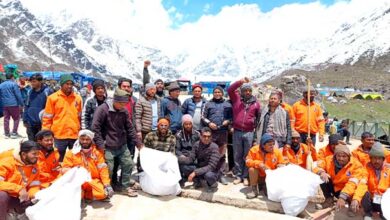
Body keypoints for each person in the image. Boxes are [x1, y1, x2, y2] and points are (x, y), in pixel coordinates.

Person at [92, 88, 141, 197]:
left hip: (122, 144)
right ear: (115, 100)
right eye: (121, 103)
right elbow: (95, 128)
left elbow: (130, 128)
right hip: (107, 146)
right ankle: (106, 188)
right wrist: (100, 145)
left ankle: (124, 187)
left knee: (128, 164)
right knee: (108, 169)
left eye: (125, 103)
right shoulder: (102, 109)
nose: (123, 106)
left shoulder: (123, 111)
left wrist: (138, 143)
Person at [313, 144, 368, 213]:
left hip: (346, 190)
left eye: (344, 156)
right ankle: (329, 199)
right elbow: (317, 166)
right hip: (333, 186)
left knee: (356, 196)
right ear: (335, 156)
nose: (341, 158)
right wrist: (321, 172)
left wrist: (343, 197)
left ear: (349, 156)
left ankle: (351, 205)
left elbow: (352, 183)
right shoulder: (329, 159)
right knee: (321, 177)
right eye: (338, 156)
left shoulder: (356, 165)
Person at [62, 130, 113, 201]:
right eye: (82, 139)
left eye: (87, 139)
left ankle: (88, 195)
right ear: (79, 139)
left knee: (102, 194)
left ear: (91, 140)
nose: (85, 141)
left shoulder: (97, 153)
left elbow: (103, 169)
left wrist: (107, 184)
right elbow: (65, 169)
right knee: (77, 196)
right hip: (78, 181)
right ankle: (83, 195)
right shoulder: (71, 153)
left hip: (93, 180)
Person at [227, 78, 261, 186]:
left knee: (247, 155)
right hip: (237, 131)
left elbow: (258, 120)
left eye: (249, 91)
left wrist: (255, 136)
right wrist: (240, 82)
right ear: (242, 91)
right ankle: (238, 175)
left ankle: (246, 176)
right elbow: (230, 89)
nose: (247, 92)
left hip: (249, 132)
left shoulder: (256, 104)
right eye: (245, 90)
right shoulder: (237, 99)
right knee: (237, 154)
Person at [42, 74, 82, 162]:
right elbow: (47, 118)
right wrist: (45, 133)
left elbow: (80, 116)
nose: (69, 86)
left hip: (74, 134)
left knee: (76, 160)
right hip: (59, 135)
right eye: (67, 84)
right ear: (61, 84)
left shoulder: (78, 98)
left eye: (71, 84)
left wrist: (80, 131)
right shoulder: (52, 98)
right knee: (58, 160)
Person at [0, 141, 41, 219]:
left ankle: (15, 213)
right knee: (1, 196)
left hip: (21, 198)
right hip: (8, 197)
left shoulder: (35, 166)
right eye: (34, 154)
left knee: (41, 197)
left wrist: (34, 194)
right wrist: (19, 189)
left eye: (38, 153)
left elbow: (34, 185)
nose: (37, 156)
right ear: (23, 155)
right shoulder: (8, 162)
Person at [202, 86, 232, 185]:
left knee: (222, 154)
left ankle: (221, 174)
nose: (217, 94)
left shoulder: (227, 104)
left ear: (222, 93)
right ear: (213, 93)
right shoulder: (208, 103)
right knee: (210, 153)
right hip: (211, 133)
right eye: (215, 92)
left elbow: (231, 117)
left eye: (219, 92)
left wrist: (227, 121)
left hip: (223, 132)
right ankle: (210, 173)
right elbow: (203, 117)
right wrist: (209, 123)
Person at [178, 127, 221, 192]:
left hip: (211, 171)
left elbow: (211, 166)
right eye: (204, 136)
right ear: (200, 136)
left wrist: (195, 172)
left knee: (209, 175)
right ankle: (198, 182)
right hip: (200, 168)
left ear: (211, 137)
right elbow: (191, 159)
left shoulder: (214, 147)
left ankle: (212, 184)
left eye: (208, 136)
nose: (206, 138)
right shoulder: (197, 144)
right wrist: (178, 160)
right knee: (184, 166)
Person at [245, 134, 287, 199]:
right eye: (270, 145)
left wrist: (281, 165)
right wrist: (258, 164)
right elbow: (247, 161)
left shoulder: (276, 151)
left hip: (269, 178)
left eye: (273, 144)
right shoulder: (254, 150)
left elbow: (282, 162)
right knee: (252, 169)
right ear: (263, 145)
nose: (272, 146)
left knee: (269, 195)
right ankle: (254, 190)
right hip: (258, 176)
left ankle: (264, 186)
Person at [361, 143, 390, 220]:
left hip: (384, 200)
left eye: (379, 158)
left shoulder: (388, 169)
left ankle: (384, 213)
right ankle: (368, 213)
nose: (376, 161)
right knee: (363, 191)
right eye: (374, 158)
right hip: (371, 199)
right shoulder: (366, 167)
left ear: (383, 159)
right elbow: (362, 182)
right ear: (370, 159)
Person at [23, 73, 53, 140]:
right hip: (30, 123)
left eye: (34, 81)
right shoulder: (29, 92)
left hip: (42, 123)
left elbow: (52, 108)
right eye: (31, 82)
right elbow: (26, 105)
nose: (32, 83)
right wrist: (25, 120)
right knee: (32, 143)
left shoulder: (47, 91)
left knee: (42, 143)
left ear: (40, 81)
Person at [176, 114, 200, 184]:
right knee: (178, 160)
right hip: (184, 156)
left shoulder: (197, 134)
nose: (188, 126)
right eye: (186, 124)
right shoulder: (178, 135)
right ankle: (182, 178)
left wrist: (193, 156)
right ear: (183, 124)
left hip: (194, 156)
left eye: (190, 124)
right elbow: (177, 149)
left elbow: (199, 148)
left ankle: (195, 177)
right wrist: (181, 155)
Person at [0, 72, 24, 139]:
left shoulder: (1, 85)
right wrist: (22, 104)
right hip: (13, 104)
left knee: (6, 119)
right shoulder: (13, 84)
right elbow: (18, 95)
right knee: (16, 118)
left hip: (4, 104)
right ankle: (14, 133)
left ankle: (7, 133)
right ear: (12, 77)